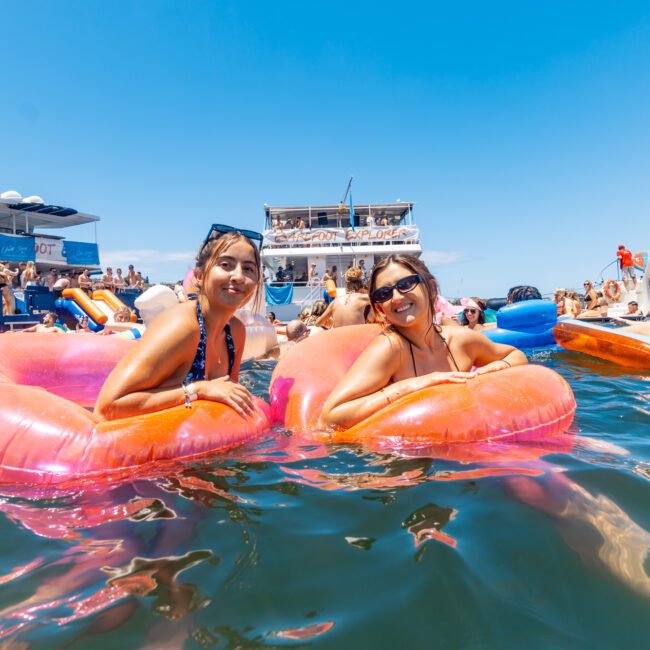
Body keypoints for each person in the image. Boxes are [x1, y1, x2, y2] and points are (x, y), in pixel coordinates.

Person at [320, 254, 527, 428]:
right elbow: (330, 416)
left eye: (406, 284)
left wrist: (486, 372)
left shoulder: (460, 340)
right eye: (384, 293)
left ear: (431, 287)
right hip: (409, 466)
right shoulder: (391, 348)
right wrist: (415, 385)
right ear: (380, 308)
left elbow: (515, 355)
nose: (397, 297)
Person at [95, 227, 262, 421]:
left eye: (248, 269)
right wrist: (198, 389)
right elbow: (107, 408)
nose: (238, 276)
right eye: (226, 265)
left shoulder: (235, 331)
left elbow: (231, 395)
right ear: (199, 276)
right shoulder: (183, 327)